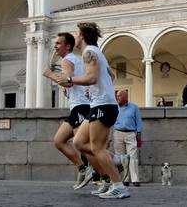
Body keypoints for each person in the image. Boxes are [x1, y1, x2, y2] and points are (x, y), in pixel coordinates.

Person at [56, 22, 130, 199]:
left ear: (82, 36)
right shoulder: (96, 52)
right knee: (79, 142)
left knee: (97, 148)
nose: (76, 36)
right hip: (98, 104)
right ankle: (116, 164)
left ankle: (119, 185)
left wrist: (70, 79)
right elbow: (109, 75)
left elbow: (91, 77)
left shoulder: (89, 52)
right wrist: (97, 87)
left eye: (77, 33)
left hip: (103, 106)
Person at [43, 33, 93, 189]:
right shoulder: (75, 60)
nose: (55, 46)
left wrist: (50, 74)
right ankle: (83, 168)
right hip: (78, 106)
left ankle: (114, 164)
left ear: (68, 46)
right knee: (59, 141)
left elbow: (68, 82)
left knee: (83, 145)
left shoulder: (67, 60)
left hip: (81, 106)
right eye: (55, 43)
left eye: (58, 43)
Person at [113, 90, 142, 187]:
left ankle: (135, 180)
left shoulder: (134, 107)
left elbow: (138, 120)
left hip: (130, 133)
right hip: (118, 133)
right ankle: (124, 179)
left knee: (133, 157)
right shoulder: (115, 107)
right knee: (120, 158)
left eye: (119, 96)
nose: (118, 98)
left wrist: (139, 132)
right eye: (117, 96)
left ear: (126, 97)